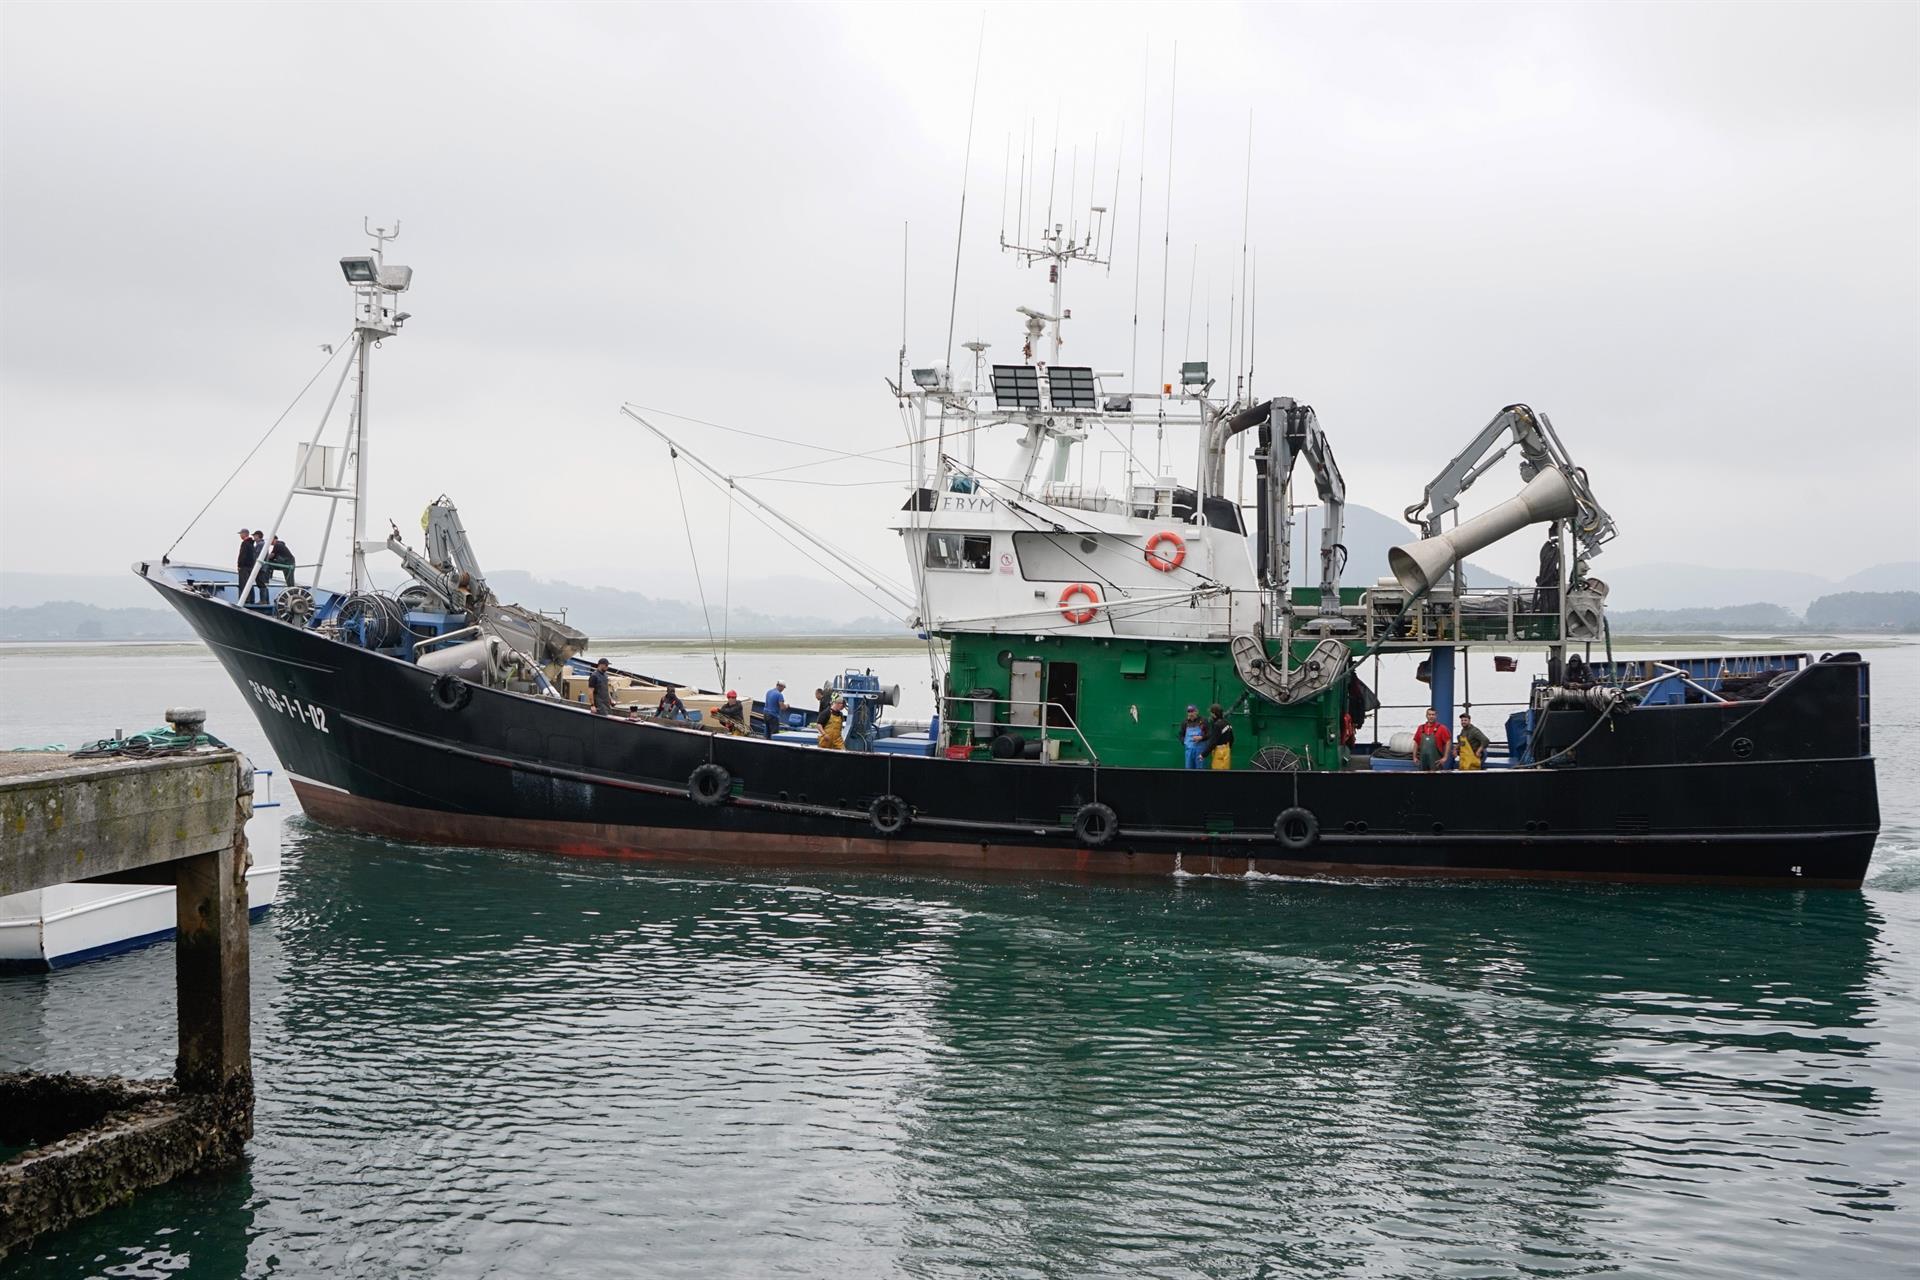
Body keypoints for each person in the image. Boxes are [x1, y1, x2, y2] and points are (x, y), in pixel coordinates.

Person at [1412, 707, 1451, 772]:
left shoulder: (1442, 728)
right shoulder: (1420, 728)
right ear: (1426, 716)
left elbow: (1448, 742)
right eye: (1429, 714)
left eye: (1433, 715)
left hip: (1436, 761)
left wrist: (1445, 757)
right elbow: (1416, 742)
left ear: (1436, 716)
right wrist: (1414, 757)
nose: (1431, 716)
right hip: (1423, 761)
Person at [235, 528, 264, 604]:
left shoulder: (245, 543)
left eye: (241, 534)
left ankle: (245, 600)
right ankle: (251, 599)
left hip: (244, 567)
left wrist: (239, 565)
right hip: (251, 567)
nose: (240, 535)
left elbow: (242, 555)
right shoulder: (251, 544)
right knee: (249, 583)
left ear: (245, 534)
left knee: (243, 583)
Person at [1179, 705, 1209, 769]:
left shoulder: (1203, 721)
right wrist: (1184, 742)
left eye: (1192, 711)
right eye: (1189, 712)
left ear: (1197, 712)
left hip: (1200, 751)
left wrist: (1201, 737)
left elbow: (1209, 734)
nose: (1190, 713)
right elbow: (1181, 735)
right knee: (1189, 769)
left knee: (1200, 770)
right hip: (1189, 751)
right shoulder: (1185, 722)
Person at [1206, 703, 1234, 770]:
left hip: (1219, 751)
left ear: (1214, 714)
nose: (1210, 715)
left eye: (1211, 713)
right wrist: (1228, 747)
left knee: (1217, 772)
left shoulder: (1217, 725)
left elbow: (1213, 742)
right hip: (1227, 750)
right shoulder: (1227, 723)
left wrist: (1203, 754)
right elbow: (1232, 738)